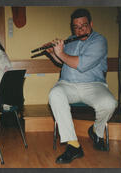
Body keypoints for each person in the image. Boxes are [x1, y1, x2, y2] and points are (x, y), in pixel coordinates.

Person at [46, 8, 117, 164]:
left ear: (91, 24)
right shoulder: (70, 40)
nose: (80, 30)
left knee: (110, 103)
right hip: (68, 84)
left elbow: (81, 64)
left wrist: (61, 53)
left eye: (84, 25)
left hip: (93, 85)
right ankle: (73, 145)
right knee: (55, 94)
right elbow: (62, 61)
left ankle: (96, 132)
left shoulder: (99, 41)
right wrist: (53, 52)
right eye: (76, 27)